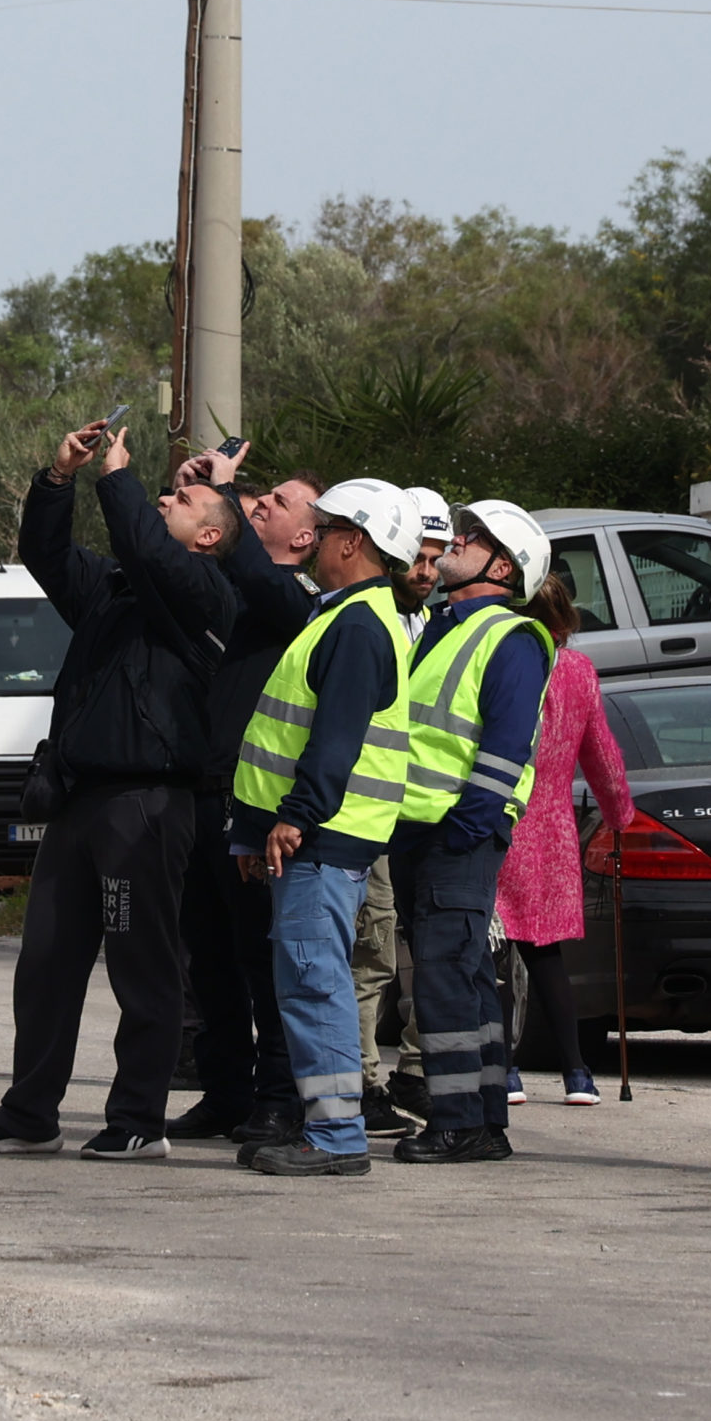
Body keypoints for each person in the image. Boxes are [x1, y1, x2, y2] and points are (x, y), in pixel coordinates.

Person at [0, 417, 241, 1159]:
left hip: (144, 804)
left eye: (181, 503)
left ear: (208, 537)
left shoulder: (204, 593)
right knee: (45, 961)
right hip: (80, 801)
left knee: (142, 964)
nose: (166, 502)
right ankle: (29, 1112)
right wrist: (59, 478)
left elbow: (146, 546)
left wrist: (118, 478)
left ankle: (138, 1119)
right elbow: (46, 555)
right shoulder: (115, 590)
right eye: (162, 495)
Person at [229, 478, 418, 1176]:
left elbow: (334, 744)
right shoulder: (343, 616)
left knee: (315, 982)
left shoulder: (359, 626)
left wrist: (293, 820)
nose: (316, 536)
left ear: (352, 541)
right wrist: (257, 829)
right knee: (311, 980)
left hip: (321, 838)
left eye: (328, 524)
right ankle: (326, 1130)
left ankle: (336, 1139)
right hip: (311, 838)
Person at [162, 448, 324, 1149]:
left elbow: (257, 580)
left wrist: (223, 498)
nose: (262, 503)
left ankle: (279, 1098)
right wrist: (189, 493)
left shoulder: (298, 601)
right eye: (259, 497)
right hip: (203, 795)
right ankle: (223, 1091)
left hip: (255, 808)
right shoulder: (239, 579)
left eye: (279, 502)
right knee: (210, 956)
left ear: (307, 539)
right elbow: (190, 560)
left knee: (264, 958)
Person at [388, 500, 555, 1165]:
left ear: (503, 565)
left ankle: (457, 1122)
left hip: (453, 832)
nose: (457, 540)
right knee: (466, 974)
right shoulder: (442, 625)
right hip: (420, 828)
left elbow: (507, 744)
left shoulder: (509, 636)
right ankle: (482, 1120)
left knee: (445, 977)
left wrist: (469, 826)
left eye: (476, 537)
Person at [495, 572, 634, 1105]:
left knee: (493, 954)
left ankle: (504, 1068)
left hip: (497, 815)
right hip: (550, 826)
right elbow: (601, 753)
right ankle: (577, 1072)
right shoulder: (578, 671)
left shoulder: (504, 660)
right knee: (544, 954)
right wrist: (620, 814)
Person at [353, 484, 456, 1135]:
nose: (426, 570)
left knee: (443, 953)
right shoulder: (367, 619)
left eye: (436, 558)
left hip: (429, 817)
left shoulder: (440, 624)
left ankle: (416, 1075)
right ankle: (361, 1084)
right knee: (374, 953)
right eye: (416, 556)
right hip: (372, 815)